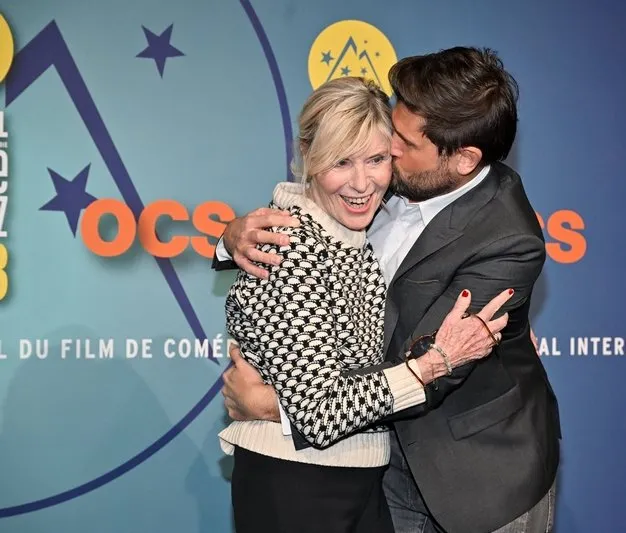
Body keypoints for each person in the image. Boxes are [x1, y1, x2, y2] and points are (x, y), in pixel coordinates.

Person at [215, 47, 561, 533]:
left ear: (462, 160)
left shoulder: (507, 239)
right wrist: (231, 238)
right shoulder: (384, 176)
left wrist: (279, 406)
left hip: (475, 478)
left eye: (398, 143)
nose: (384, 152)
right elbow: (309, 217)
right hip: (368, 465)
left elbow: (433, 363)